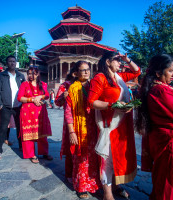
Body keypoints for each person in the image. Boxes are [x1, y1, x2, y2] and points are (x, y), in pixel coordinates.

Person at [88, 51, 141, 200]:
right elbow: (92, 102)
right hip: (109, 124)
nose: (120, 63)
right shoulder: (100, 78)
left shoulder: (120, 78)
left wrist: (127, 59)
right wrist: (113, 105)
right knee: (108, 158)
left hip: (124, 125)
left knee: (119, 156)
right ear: (107, 62)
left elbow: (137, 72)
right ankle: (107, 192)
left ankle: (116, 184)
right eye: (117, 60)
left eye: (120, 61)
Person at [136, 54, 173, 200]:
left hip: (166, 139)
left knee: (165, 178)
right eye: (171, 70)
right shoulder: (161, 91)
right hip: (170, 141)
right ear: (158, 73)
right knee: (170, 182)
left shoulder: (159, 88)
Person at [65, 61, 101, 199]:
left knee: (94, 157)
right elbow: (68, 112)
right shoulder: (72, 89)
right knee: (81, 157)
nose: (86, 72)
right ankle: (81, 186)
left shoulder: (95, 86)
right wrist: (71, 131)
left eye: (88, 69)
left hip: (95, 126)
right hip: (79, 128)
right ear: (76, 73)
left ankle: (94, 184)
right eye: (82, 70)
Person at [17, 67, 53, 164]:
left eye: (33, 73)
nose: (30, 76)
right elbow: (19, 98)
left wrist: (39, 97)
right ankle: (31, 154)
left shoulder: (43, 84)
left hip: (41, 112)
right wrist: (32, 100)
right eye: (29, 73)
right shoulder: (24, 84)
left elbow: (47, 95)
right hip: (27, 112)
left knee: (42, 133)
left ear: (37, 74)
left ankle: (44, 152)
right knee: (29, 134)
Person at [0, 55, 25, 160]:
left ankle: (22, 147)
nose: (12, 63)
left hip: (18, 106)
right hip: (6, 107)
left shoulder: (20, 76)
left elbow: (25, 90)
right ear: (7, 63)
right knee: (2, 128)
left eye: (14, 61)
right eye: (10, 61)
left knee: (20, 128)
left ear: (16, 63)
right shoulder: (1, 76)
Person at [55, 68, 75, 183]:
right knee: (70, 146)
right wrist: (64, 96)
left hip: (84, 120)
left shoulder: (85, 84)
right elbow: (57, 102)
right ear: (74, 73)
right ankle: (69, 173)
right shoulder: (65, 85)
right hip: (70, 119)